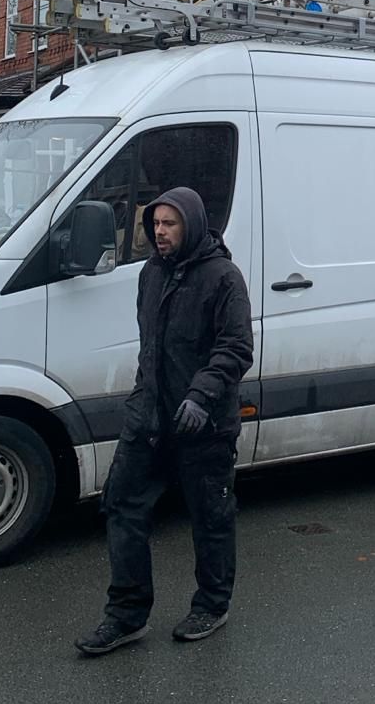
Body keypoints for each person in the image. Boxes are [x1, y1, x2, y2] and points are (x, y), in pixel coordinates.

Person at [75, 186, 253, 657]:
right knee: (121, 507)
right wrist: (142, 403)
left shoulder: (223, 278)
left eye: (169, 224)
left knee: (210, 517)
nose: (159, 232)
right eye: (155, 223)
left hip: (204, 424)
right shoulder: (151, 273)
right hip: (149, 420)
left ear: (190, 225)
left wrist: (201, 396)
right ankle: (126, 615)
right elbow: (150, 348)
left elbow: (236, 348)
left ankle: (212, 605)